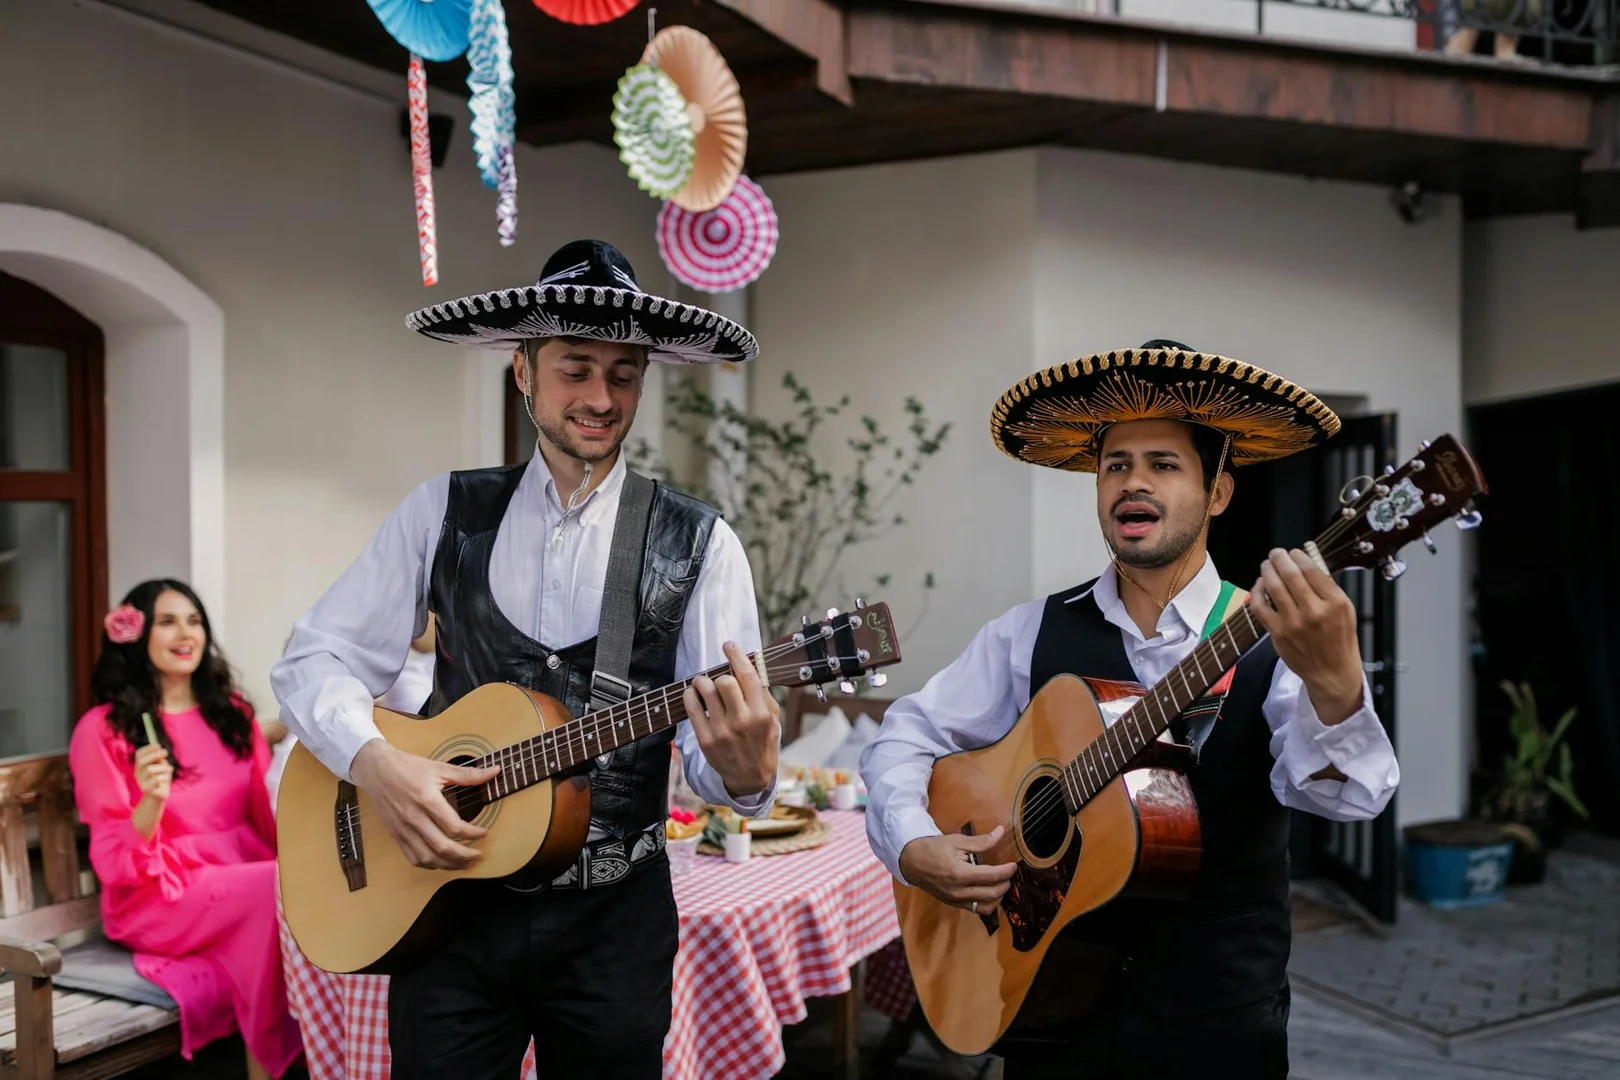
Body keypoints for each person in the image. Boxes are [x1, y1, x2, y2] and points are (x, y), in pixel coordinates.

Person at [271, 239, 780, 1080]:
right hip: (449, 907)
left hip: (614, 926)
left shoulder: (701, 543)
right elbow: (315, 657)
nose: (600, 397)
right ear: (524, 372)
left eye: (623, 375)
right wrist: (376, 764)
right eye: (575, 369)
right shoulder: (443, 510)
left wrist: (747, 771)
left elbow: (722, 770)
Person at [860, 341, 1401, 1079]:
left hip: (1214, 1031)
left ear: (1218, 493)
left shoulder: (1272, 642)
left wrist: (1336, 683)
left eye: (1163, 464)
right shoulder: (1028, 632)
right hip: (1045, 1022)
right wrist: (913, 844)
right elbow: (906, 733)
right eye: (1115, 465)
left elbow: (1349, 798)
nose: (1132, 483)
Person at [70, 579, 303, 1080]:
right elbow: (112, 857)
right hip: (156, 895)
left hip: (238, 882)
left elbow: (266, 818)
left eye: (194, 621)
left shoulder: (232, 716)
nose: (185, 634)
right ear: (137, 637)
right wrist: (152, 800)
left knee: (301, 884)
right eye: (168, 622)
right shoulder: (103, 730)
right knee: (275, 886)